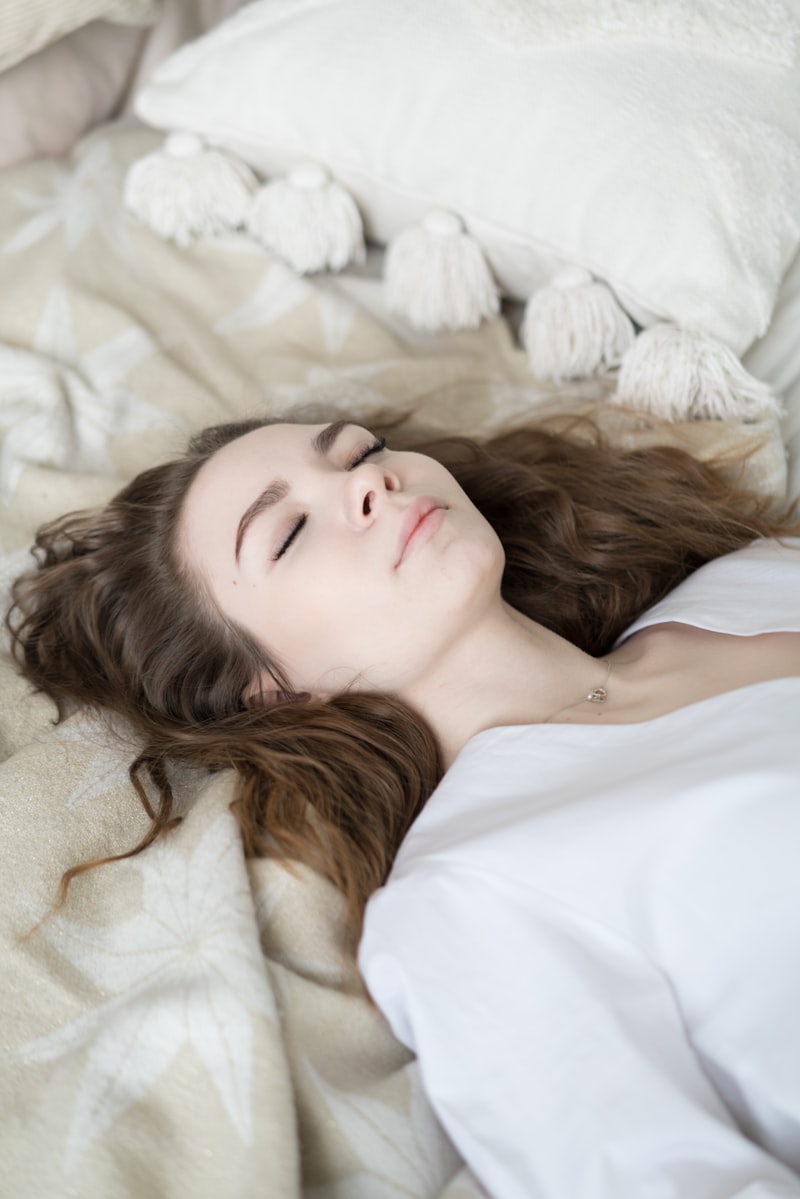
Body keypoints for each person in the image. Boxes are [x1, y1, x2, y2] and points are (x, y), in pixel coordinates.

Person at [7, 412, 800, 1198]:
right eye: (286, 533)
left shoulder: (746, 578)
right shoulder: (468, 900)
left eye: (362, 450)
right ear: (273, 691)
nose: (367, 481)